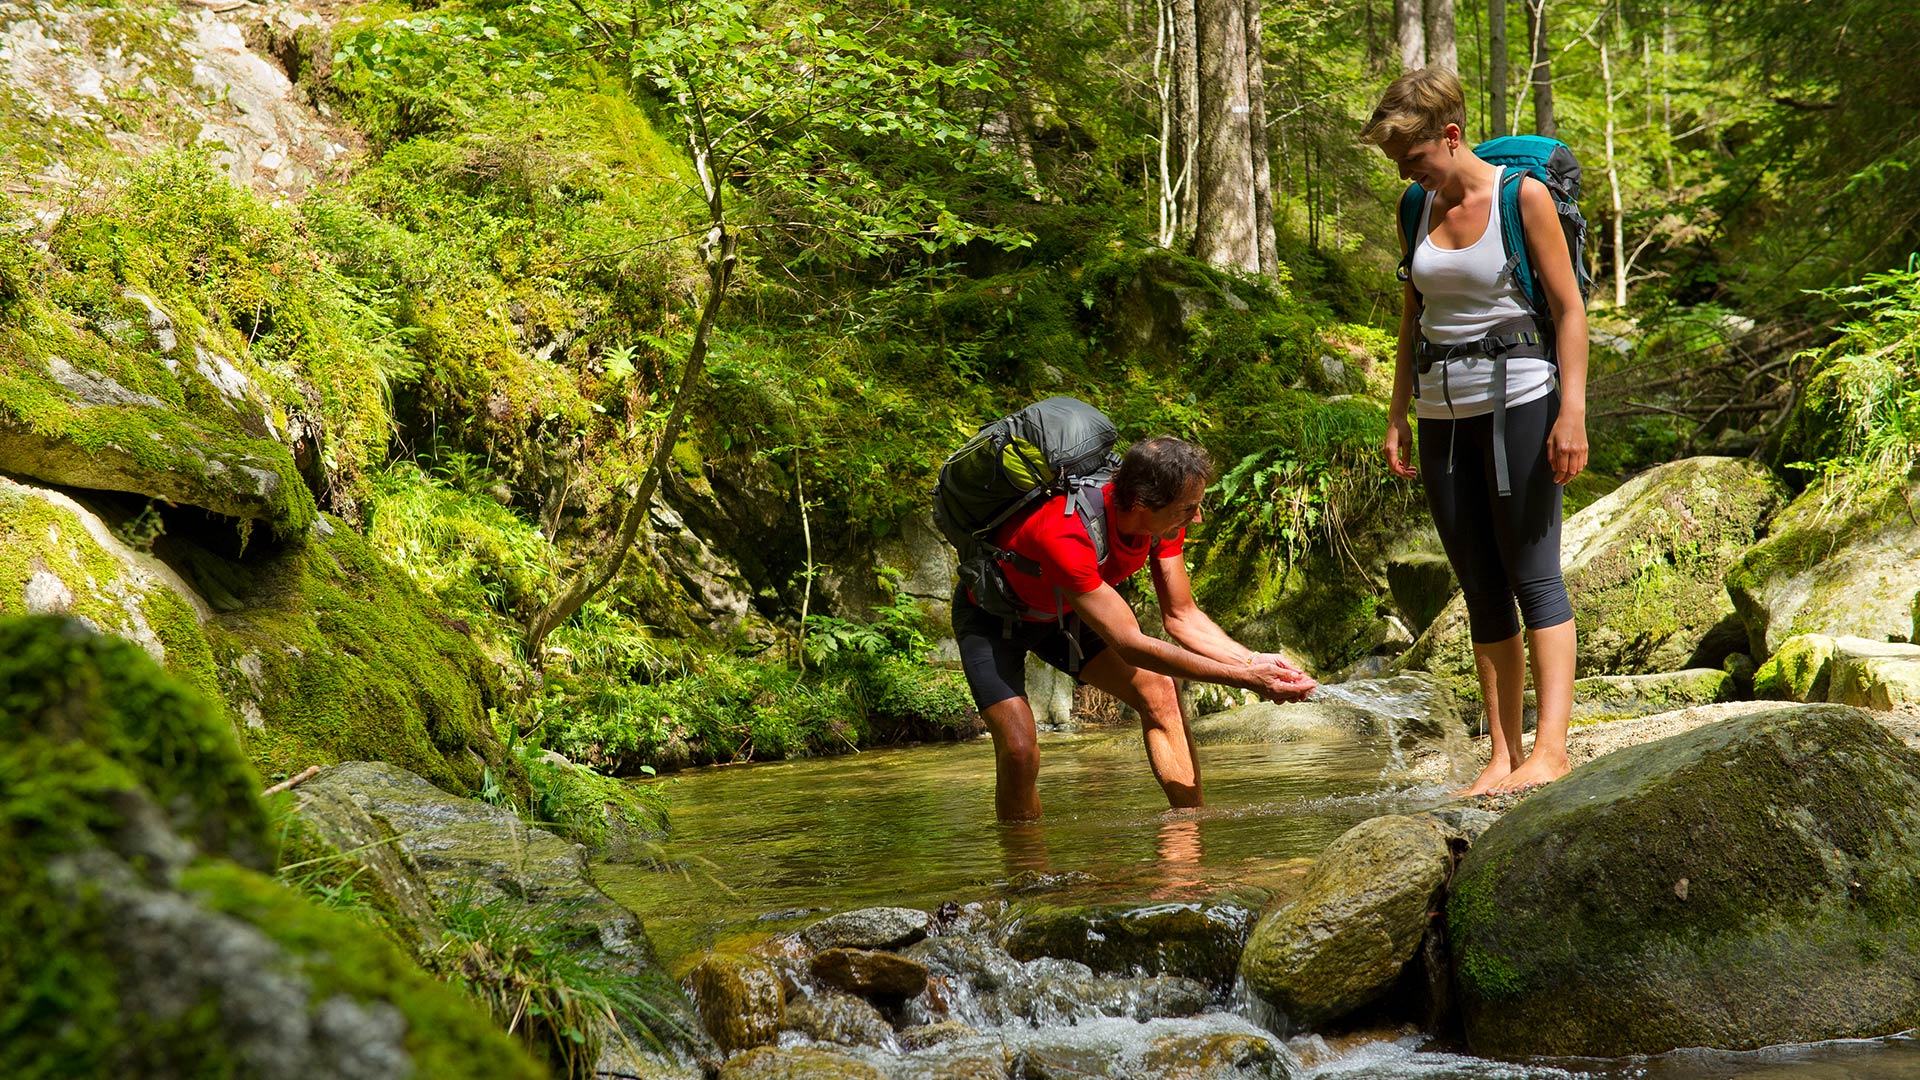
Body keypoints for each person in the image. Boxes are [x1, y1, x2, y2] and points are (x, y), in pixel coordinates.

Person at [1362, 68, 1589, 795]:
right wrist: (1397, 412)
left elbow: (1570, 310)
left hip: (1521, 398)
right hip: (1441, 413)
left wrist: (1572, 413)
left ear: (1451, 135)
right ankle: (1502, 755)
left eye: (1414, 157)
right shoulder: (1414, 205)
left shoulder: (1521, 200)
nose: (1407, 173)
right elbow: (1413, 314)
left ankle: (1551, 750)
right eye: (1398, 163)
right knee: (1479, 585)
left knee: (1533, 575)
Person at [952, 435, 1317, 822]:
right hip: (994, 619)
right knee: (1019, 751)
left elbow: (1182, 616)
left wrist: (1252, 661)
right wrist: (1246, 679)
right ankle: (1024, 858)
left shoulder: (1163, 523)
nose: (1196, 518)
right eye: (1188, 508)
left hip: (1065, 613)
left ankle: (1187, 839)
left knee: (1160, 691)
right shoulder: (1066, 532)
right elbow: (1130, 644)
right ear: (1143, 504)